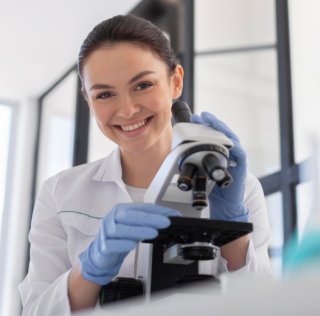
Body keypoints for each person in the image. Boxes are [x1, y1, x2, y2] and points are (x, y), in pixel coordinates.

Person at [19, 14, 271, 315]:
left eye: (142, 85)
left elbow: (261, 308)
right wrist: (88, 270)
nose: (127, 110)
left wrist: (233, 231)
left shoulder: (239, 191)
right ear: (88, 101)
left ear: (175, 82)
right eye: (105, 94)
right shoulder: (60, 194)